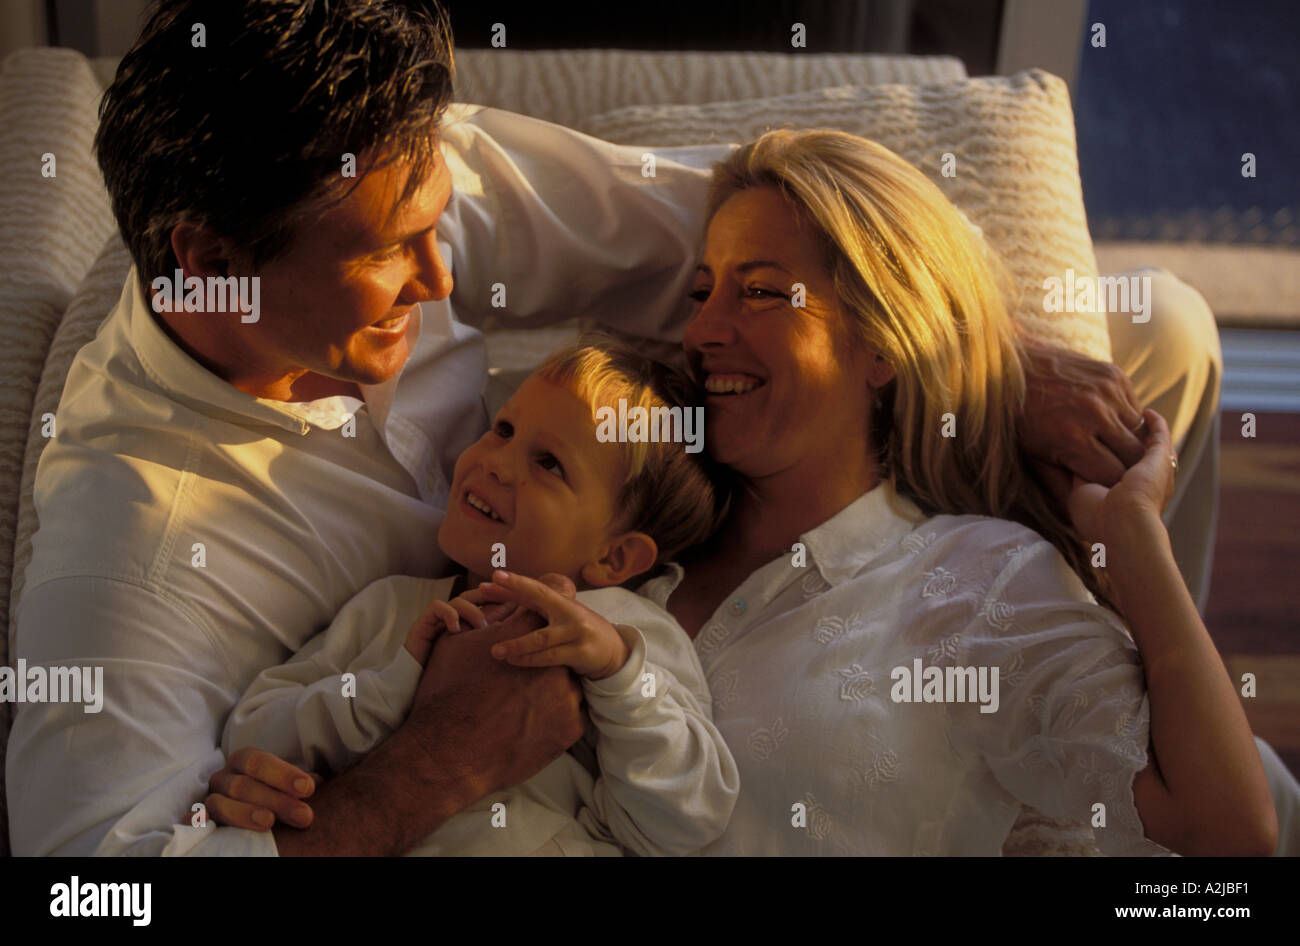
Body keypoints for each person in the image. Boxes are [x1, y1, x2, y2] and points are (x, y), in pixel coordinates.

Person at [6, 0, 1228, 857]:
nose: (449, 274)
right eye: (393, 256)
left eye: (444, 215)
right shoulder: (129, 556)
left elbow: (747, 229)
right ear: (209, 262)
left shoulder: (382, 173)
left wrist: (987, 362)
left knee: (1166, 328)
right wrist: (419, 774)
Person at [634, 129, 1277, 855]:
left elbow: (1230, 836)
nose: (703, 330)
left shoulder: (979, 585)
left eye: (759, 292)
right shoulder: (629, 528)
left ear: (881, 343)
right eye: (701, 291)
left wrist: (1134, 544)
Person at [220, 342, 738, 855]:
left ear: (615, 559)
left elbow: (688, 819)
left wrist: (618, 679)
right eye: (504, 430)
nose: (498, 464)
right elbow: (250, 739)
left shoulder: (629, 640)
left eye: (550, 464)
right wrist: (388, 691)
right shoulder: (392, 610)